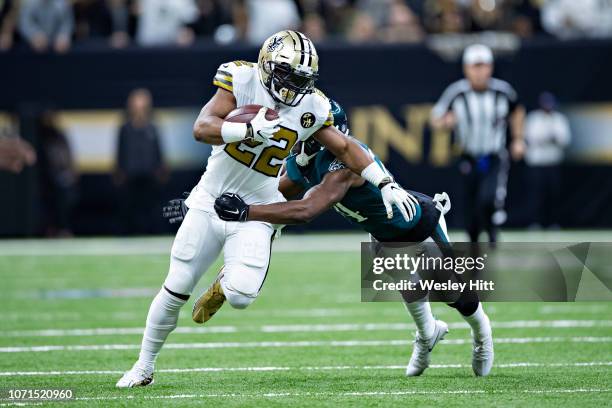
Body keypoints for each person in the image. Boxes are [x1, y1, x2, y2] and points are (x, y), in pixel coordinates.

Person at [116, 30, 418, 388]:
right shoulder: (240, 78)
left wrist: (384, 182)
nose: (293, 87)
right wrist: (243, 127)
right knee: (176, 286)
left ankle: (225, 282)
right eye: (288, 76)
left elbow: (346, 148)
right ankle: (144, 366)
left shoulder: (312, 106)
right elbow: (202, 128)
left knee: (242, 295)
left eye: (301, 80)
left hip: (256, 204)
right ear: (267, 64)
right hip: (210, 198)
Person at [207, 99, 494, 377]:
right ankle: (427, 334)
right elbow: (281, 191)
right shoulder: (305, 157)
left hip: (418, 224)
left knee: (457, 296)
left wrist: (246, 212)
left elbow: (307, 209)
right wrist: (217, 200)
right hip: (382, 232)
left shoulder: (345, 166)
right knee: (410, 288)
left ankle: (483, 334)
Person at [430, 44, 525, 244]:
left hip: (494, 155)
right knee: (471, 206)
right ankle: (475, 240)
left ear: (490, 67)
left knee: (488, 198)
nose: (480, 71)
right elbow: (435, 118)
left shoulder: (502, 91)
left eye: (484, 66)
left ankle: (491, 230)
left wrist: (518, 139)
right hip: (468, 155)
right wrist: (445, 122)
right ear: (466, 68)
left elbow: (517, 111)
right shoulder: (457, 92)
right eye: (475, 66)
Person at [114, 88, 167, 235]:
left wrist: (161, 168)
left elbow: (158, 150)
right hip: (130, 174)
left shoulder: (152, 127)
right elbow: (120, 151)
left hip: (149, 174)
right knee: (130, 207)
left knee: (150, 207)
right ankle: (130, 234)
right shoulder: (125, 128)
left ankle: (151, 233)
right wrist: (119, 170)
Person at [524, 92, 571, 229]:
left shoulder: (559, 119)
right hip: (536, 164)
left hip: (553, 163)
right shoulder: (533, 118)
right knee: (535, 195)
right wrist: (548, 138)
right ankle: (535, 222)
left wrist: (550, 138)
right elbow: (531, 138)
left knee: (553, 195)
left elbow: (565, 140)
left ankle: (553, 222)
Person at [37, 109, 78, 236]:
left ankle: (64, 229)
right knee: (49, 204)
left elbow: (68, 155)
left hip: (63, 177)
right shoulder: (40, 138)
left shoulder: (60, 135)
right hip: (47, 179)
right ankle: (51, 229)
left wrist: (71, 171)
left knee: (66, 202)